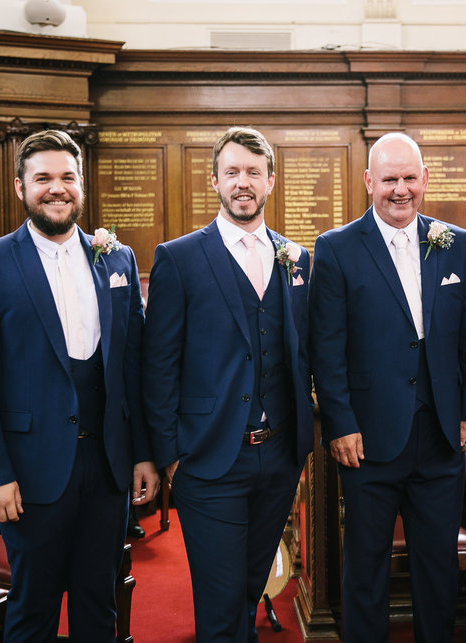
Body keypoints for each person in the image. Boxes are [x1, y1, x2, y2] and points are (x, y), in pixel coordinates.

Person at [0, 129, 158, 642]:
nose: (56, 188)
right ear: (21, 188)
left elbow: (133, 367)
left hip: (107, 466)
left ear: (82, 185)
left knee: (98, 602)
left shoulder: (118, 259)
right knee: (33, 608)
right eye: (43, 178)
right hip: (29, 470)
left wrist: (142, 455)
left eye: (67, 177)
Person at [309, 132, 466, 642]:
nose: (400, 189)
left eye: (410, 178)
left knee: (438, 567)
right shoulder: (337, 248)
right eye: (390, 179)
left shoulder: (454, 242)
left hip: (440, 437)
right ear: (369, 182)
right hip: (368, 440)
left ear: (425, 179)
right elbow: (327, 349)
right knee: (365, 569)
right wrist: (340, 423)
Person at [142, 126, 314, 642]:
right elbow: (158, 364)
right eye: (233, 172)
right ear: (214, 180)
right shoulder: (180, 258)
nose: (244, 182)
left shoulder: (296, 259)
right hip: (209, 459)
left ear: (271, 182)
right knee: (219, 607)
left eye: (254, 173)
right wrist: (171, 456)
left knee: (247, 592)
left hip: (279, 458)